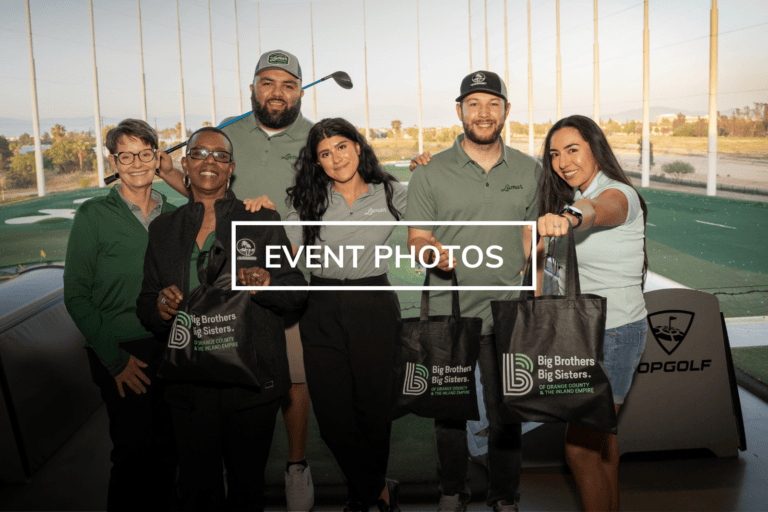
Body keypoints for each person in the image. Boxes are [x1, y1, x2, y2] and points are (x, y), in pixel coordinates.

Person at [160, 50, 315, 510]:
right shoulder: (228, 131)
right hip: (226, 276)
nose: (276, 92)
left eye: (288, 85)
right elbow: (203, 183)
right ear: (253, 88)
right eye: (267, 82)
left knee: (291, 374)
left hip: (287, 271)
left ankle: (296, 465)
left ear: (300, 93)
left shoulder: (315, 137)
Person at [136, 127, 307, 511]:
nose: (209, 161)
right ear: (185, 164)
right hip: (189, 384)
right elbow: (146, 302)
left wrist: (267, 282)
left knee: (248, 490)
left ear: (231, 169)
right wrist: (160, 305)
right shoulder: (163, 229)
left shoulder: (260, 218)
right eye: (199, 153)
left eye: (220, 156)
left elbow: (296, 290)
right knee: (197, 491)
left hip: (250, 385)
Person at [405, 71, 540, 512]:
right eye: (474, 104)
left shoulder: (528, 168)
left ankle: (504, 496)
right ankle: (452, 491)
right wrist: (433, 255)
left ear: (506, 111)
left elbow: (530, 232)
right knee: (449, 413)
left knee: (506, 412)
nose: (484, 113)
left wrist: (525, 271)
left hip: (507, 312)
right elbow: (417, 239)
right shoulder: (431, 171)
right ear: (459, 110)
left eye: (493, 104)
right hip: (450, 310)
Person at [284, 117, 406, 512]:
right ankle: (378, 491)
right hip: (320, 306)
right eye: (324, 153)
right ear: (316, 162)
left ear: (357, 146)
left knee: (373, 411)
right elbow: (274, 244)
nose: (335, 159)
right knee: (334, 418)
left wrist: (430, 169)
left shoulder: (391, 193)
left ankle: (361, 496)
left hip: (373, 301)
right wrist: (257, 210)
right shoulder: (307, 201)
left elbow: (442, 205)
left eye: (341, 147)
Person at [535, 114, 648, 512]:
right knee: (603, 447)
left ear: (595, 149)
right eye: (554, 154)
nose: (563, 161)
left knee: (580, 452)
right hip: (582, 332)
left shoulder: (619, 194)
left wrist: (570, 217)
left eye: (572, 150)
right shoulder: (567, 196)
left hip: (615, 332)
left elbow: (600, 209)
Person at [63, 119, 177, 511]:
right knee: (133, 455)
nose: (136, 163)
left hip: (171, 348)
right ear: (114, 160)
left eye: (145, 153)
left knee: (169, 453)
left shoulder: (175, 213)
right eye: (126, 155)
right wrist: (114, 359)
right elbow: (76, 294)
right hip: (122, 350)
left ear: (157, 158)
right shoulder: (93, 215)